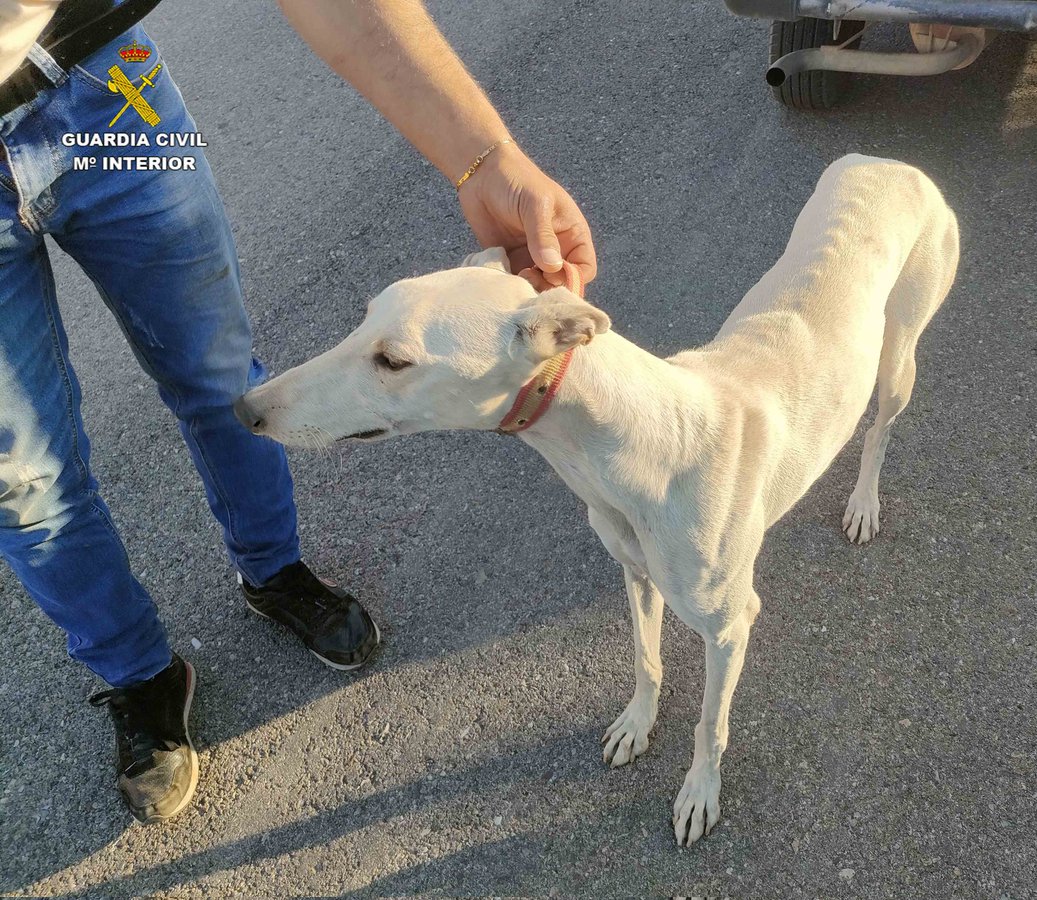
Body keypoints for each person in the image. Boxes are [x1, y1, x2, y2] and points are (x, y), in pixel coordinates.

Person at [0, 0, 597, 823]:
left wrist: (485, 157)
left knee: (222, 383)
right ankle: (140, 675)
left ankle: (273, 573)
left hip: (100, 86)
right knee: (21, 481)